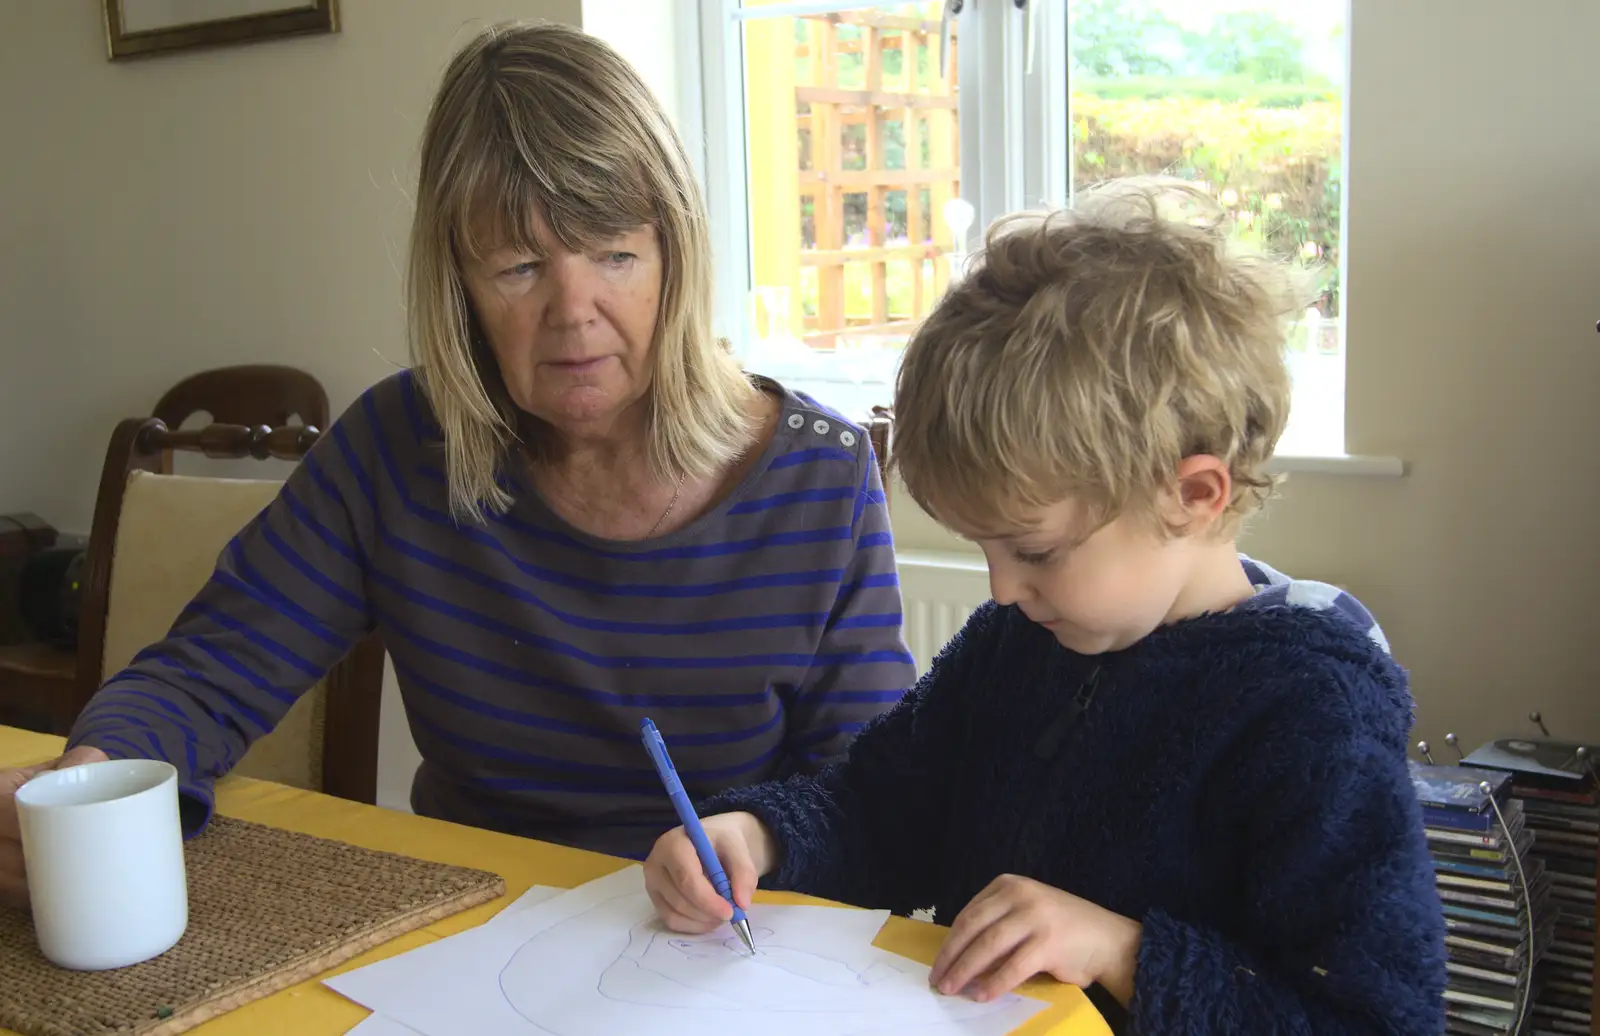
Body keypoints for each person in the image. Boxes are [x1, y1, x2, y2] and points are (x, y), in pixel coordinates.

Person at [0, 21, 916, 908]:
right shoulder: (397, 447)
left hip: (733, 954)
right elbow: (210, 670)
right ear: (458, 287)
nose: (574, 310)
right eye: (519, 267)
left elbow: (877, 798)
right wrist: (94, 774)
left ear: (675, 256)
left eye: (616, 254)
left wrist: (758, 833)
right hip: (465, 932)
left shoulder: (820, 481)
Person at [642, 181, 1448, 1034]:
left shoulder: (1310, 716)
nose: (1000, 589)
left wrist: (1121, 953)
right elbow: (883, 807)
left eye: (1032, 551)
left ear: (1195, 495)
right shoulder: (1016, 644)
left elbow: (1377, 1015)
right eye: (981, 550)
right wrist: (756, 837)